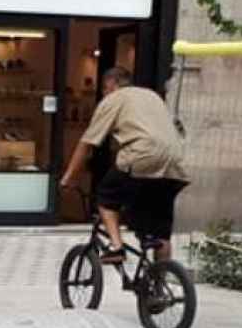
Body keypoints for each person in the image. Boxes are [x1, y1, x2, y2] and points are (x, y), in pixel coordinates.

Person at [58, 66, 189, 264]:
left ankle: (116, 247)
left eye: (104, 89)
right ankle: (159, 282)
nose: (104, 93)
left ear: (110, 84)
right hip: (174, 161)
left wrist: (68, 178)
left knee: (105, 197)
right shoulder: (152, 96)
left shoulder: (113, 99)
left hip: (142, 154)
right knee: (160, 231)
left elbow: (87, 143)